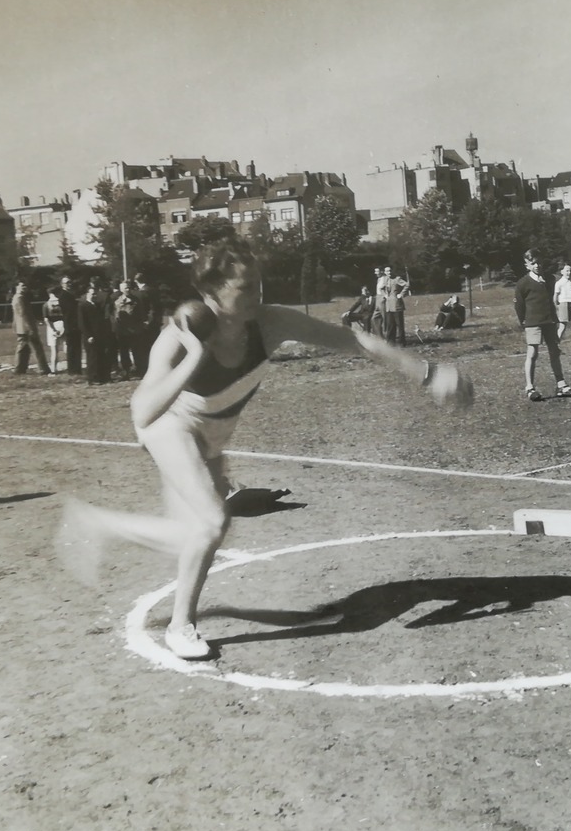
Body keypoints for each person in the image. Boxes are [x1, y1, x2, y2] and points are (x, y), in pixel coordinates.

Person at [61, 238, 474, 661]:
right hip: (171, 427)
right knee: (212, 520)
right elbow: (143, 413)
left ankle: (98, 524)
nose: (259, 297)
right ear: (211, 295)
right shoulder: (176, 338)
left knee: (193, 536)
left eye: (258, 284)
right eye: (246, 289)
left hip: (213, 435)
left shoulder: (270, 323)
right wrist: (195, 355)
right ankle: (181, 626)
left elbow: (352, 340)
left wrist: (425, 371)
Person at [514, 248, 571, 401]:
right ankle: (530, 387)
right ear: (527, 265)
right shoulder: (523, 283)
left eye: (539, 262)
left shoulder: (549, 279)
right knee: (533, 353)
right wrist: (523, 321)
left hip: (549, 321)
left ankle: (561, 384)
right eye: (533, 263)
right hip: (532, 323)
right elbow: (519, 305)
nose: (537, 265)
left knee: (554, 352)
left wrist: (555, 318)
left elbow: (552, 300)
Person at [11, 278, 52, 375]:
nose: (25, 288)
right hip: (26, 327)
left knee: (23, 348)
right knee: (37, 347)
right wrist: (30, 328)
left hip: (21, 327)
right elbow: (23, 314)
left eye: (25, 286)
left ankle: (20, 369)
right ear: (17, 287)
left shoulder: (17, 297)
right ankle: (43, 368)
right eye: (22, 286)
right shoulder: (20, 298)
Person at [78, 277, 113, 385]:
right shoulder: (83, 306)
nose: (94, 296)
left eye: (95, 294)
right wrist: (88, 335)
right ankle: (92, 378)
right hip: (90, 336)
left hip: (99, 334)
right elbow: (82, 323)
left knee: (100, 355)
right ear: (87, 294)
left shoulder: (96, 305)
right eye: (92, 294)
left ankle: (102, 376)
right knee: (92, 357)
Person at [111, 279, 145, 380]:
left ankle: (139, 370)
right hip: (122, 331)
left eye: (129, 287)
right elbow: (113, 315)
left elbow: (141, 314)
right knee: (124, 352)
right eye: (126, 288)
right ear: (121, 289)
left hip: (134, 330)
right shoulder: (116, 301)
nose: (128, 289)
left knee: (137, 351)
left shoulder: (136, 300)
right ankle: (126, 371)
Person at [55, 274, 83, 376]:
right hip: (70, 325)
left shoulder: (71, 294)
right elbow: (70, 312)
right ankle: (73, 369)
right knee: (72, 348)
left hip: (75, 325)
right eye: (67, 283)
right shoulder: (64, 296)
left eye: (70, 282)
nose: (69, 284)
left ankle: (77, 368)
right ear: (62, 284)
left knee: (76, 348)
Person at [376, 266, 408, 345]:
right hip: (388, 306)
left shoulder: (397, 279)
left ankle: (401, 342)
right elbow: (381, 288)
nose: (389, 273)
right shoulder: (385, 280)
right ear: (385, 272)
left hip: (397, 305)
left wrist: (401, 294)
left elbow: (407, 285)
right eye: (387, 271)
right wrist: (385, 295)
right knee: (390, 324)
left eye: (390, 271)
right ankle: (390, 342)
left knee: (399, 324)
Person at [43, 286, 65, 371]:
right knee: (66, 347)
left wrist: (53, 330)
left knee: (54, 350)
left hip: (52, 326)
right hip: (62, 325)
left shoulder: (46, 304)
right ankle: (72, 368)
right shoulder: (62, 303)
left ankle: (53, 370)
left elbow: (46, 319)